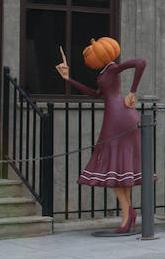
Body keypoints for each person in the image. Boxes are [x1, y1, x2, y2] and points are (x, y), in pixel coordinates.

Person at [56, 37, 146, 236]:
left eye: (90, 52)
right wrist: (68, 79)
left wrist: (132, 92)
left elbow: (141, 63)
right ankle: (128, 214)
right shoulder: (106, 72)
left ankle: (126, 216)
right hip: (116, 115)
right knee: (120, 166)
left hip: (118, 117)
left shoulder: (112, 67)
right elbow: (96, 95)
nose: (88, 55)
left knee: (114, 166)